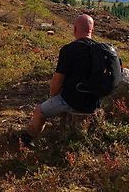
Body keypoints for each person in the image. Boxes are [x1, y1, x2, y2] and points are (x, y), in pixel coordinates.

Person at [19, 14, 100, 147]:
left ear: (75, 29)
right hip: (95, 102)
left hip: (73, 100)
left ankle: (27, 140)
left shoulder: (69, 50)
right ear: (92, 30)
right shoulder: (100, 50)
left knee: (40, 111)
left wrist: (53, 97)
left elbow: (57, 81)